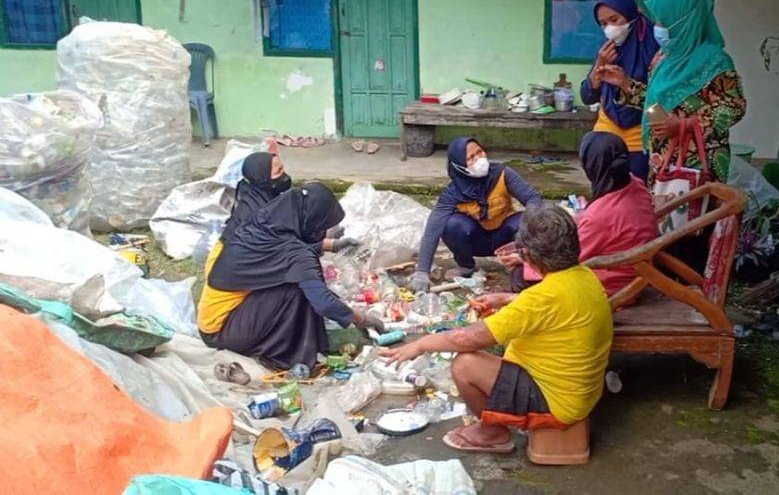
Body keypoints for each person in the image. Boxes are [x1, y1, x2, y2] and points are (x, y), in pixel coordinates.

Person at [382, 204, 612, 453]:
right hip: (580, 392)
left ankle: (493, 432)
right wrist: (503, 299)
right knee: (493, 349)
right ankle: (497, 423)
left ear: (531, 256)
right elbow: (554, 305)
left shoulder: (539, 299)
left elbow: (468, 339)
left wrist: (421, 344)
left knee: (465, 364)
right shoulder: (583, 275)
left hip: (556, 403)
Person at [198, 182, 383, 369]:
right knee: (297, 290)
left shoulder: (264, 221)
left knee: (299, 281)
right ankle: (283, 354)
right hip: (223, 332)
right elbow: (324, 302)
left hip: (211, 323)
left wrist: (332, 245)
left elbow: (280, 254)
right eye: (322, 225)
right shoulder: (295, 254)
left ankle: (287, 344)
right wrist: (362, 319)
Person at [597, 0, 746, 184]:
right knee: (662, 211)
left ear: (684, 21)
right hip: (662, 160)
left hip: (699, 163)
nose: (657, 27)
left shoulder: (716, 63)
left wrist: (683, 124)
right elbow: (654, 102)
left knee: (697, 213)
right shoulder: (663, 58)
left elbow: (734, 108)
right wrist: (624, 83)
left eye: (663, 21)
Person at [500, 132, 660, 296]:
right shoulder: (636, 185)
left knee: (519, 276)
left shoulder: (599, 216)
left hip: (613, 286)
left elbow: (569, 260)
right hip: (639, 273)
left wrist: (528, 261)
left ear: (592, 166)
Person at [410, 137, 542, 292]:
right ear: (460, 166)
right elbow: (433, 229)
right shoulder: (453, 193)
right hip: (476, 241)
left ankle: (516, 264)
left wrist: (533, 235)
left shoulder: (502, 174)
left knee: (524, 220)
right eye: (470, 158)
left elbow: (533, 197)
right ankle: (466, 267)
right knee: (452, 224)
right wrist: (422, 271)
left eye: (480, 152)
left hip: (506, 238)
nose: (479, 159)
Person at [580, 0, 659, 182]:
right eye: (603, 23)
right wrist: (599, 66)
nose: (609, 29)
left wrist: (624, 83)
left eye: (614, 20)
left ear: (630, 14)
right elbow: (587, 96)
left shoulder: (655, 48)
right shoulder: (608, 48)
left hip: (639, 134)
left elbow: (658, 104)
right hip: (606, 128)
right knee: (603, 190)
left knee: (636, 191)